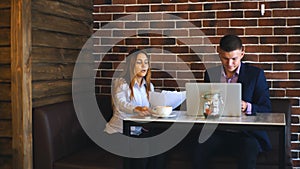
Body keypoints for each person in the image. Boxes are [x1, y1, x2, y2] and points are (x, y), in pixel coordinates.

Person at [193, 34, 272, 169]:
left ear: (242, 53)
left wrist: (247, 106)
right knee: (199, 146)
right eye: (225, 58)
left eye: (234, 59)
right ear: (219, 53)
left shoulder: (256, 75)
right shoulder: (210, 74)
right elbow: (205, 106)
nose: (230, 64)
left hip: (246, 134)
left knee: (249, 148)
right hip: (218, 132)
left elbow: (266, 108)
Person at [104, 49, 165, 169]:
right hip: (118, 132)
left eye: (146, 62)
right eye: (139, 62)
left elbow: (151, 108)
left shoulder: (149, 86)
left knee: (160, 147)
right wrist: (136, 109)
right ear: (131, 65)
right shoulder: (121, 83)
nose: (144, 66)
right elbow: (121, 103)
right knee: (142, 147)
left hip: (138, 131)